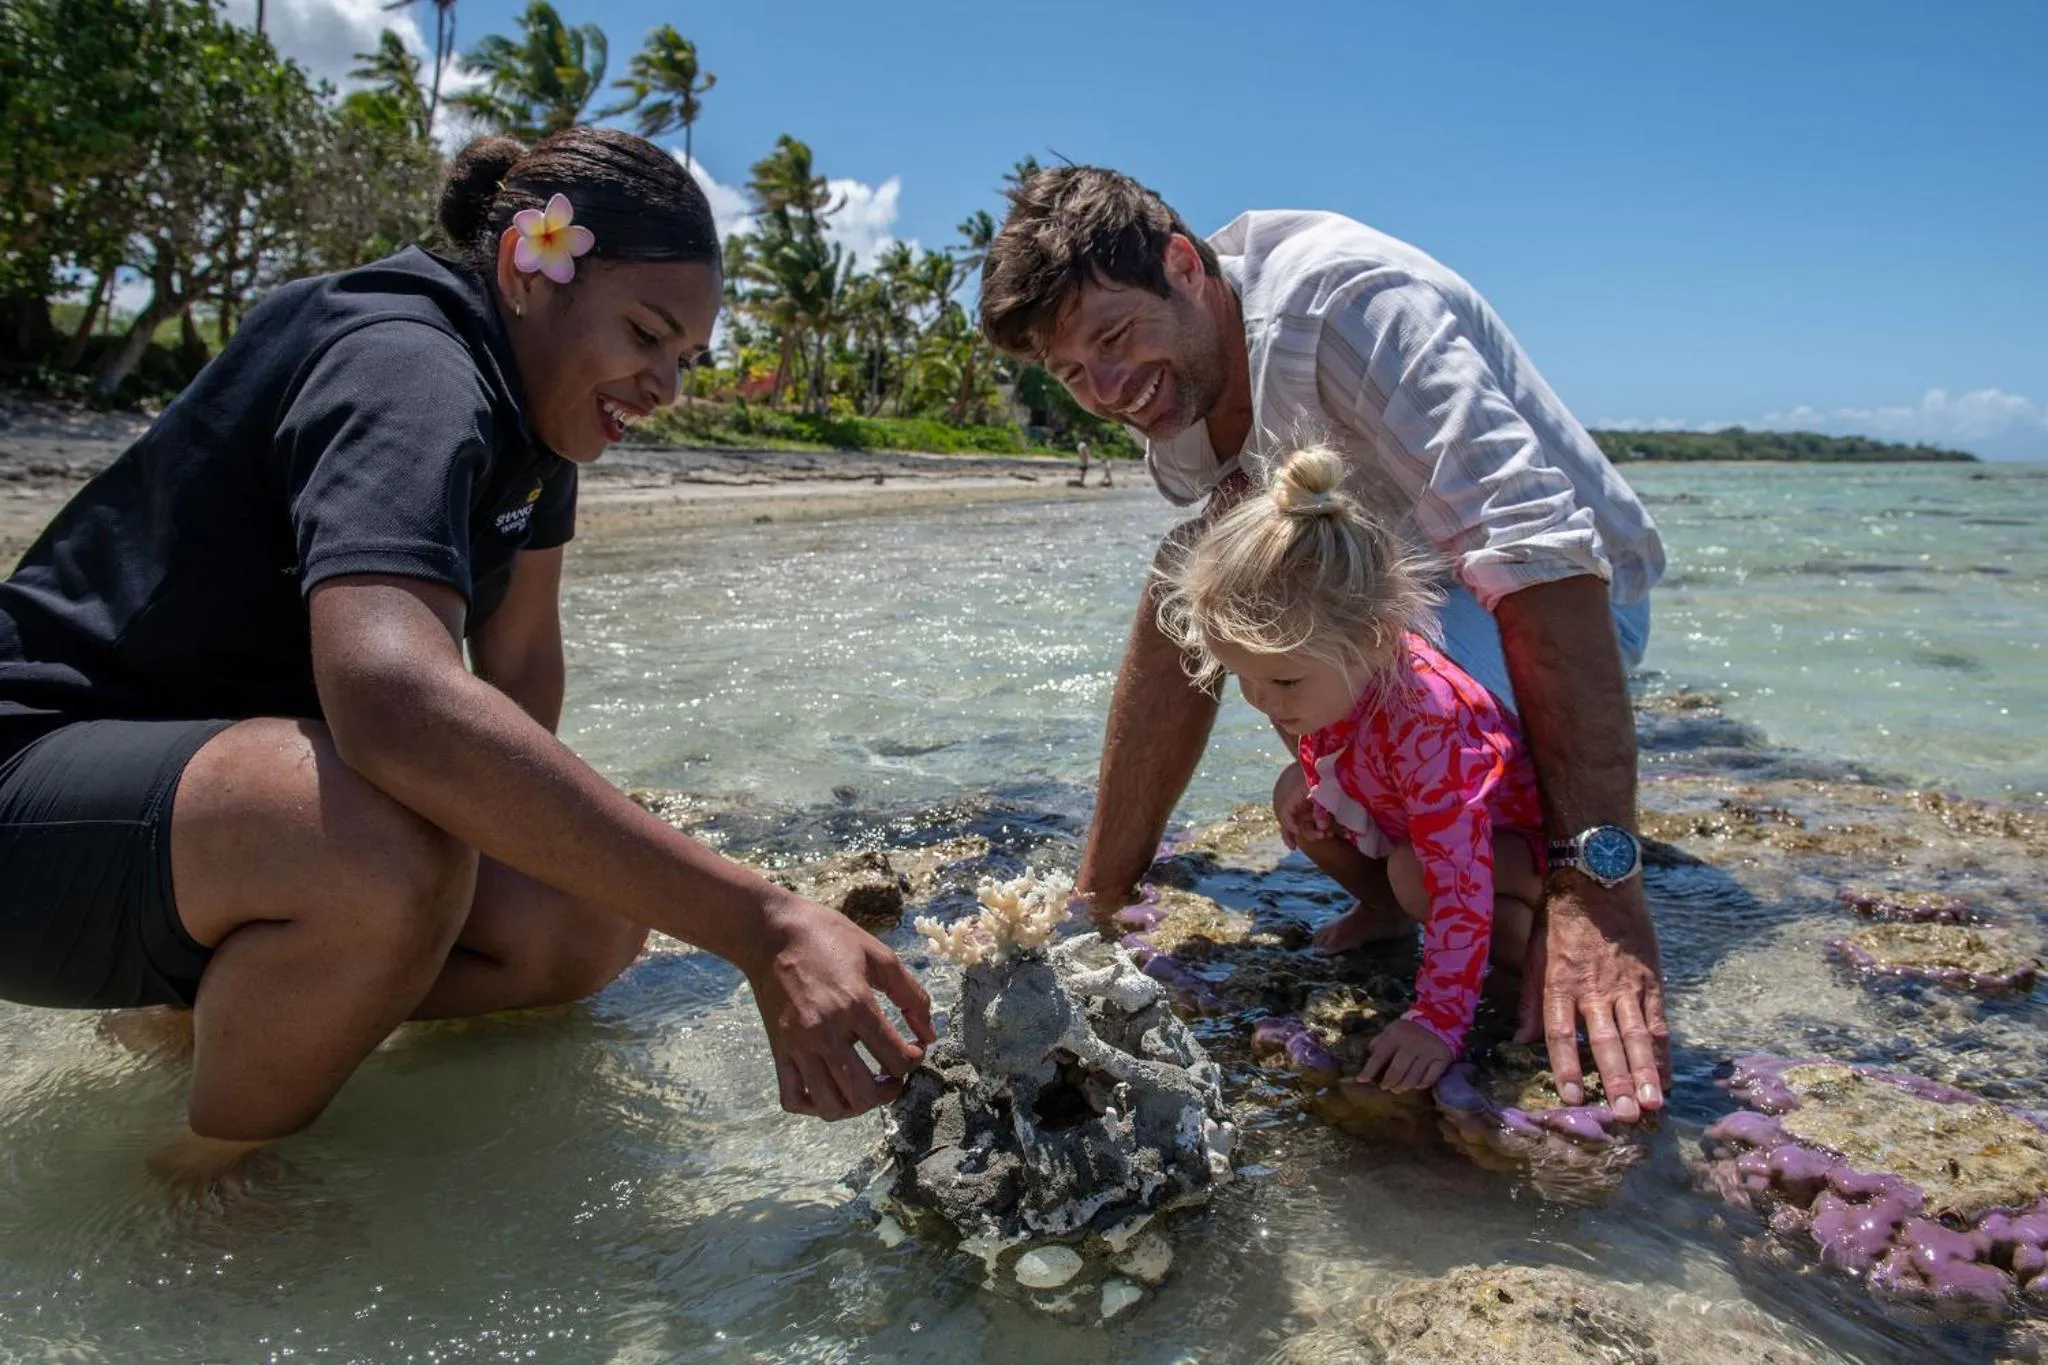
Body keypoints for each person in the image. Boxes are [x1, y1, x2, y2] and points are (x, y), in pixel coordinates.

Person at [0, 127, 932, 1187]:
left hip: (199, 829)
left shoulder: (543, 424)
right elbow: (392, 699)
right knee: (375, 842)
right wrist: (761, 924)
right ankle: (203, 1176)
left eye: (685, 357)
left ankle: (189, 1022)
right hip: (34, 803)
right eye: (646, 332)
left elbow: (522, 663)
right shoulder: (407, 362)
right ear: (525, 272)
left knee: (585, 915)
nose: (666, 383)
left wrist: (525, 855)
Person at [979, 167, 1669, 1121]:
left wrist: (1600, 882)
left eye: (1114, 336)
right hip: (1386, 591)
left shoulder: (1350, 305)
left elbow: (1538, 554)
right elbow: (1227, 583)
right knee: (1199, 576)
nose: (1108, 389)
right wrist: (1097, 911)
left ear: (1185, 265)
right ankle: (1107, 886)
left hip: (1570, 596)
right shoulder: (1175, 386)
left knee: (1438, 867)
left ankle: (1507, 900)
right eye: (1070, 373)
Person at [1156, 445, 1545, 1093]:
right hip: (1422, 828)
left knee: (1417, 872)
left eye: (1281, 680)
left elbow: (1459, 877)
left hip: (1511, 854)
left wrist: (1438, 1019)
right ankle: (1388, 912)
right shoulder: (1332, 670)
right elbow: (1337, 748)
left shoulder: (1433, 717)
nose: (1264, 703)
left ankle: (1524, 960)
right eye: (1244, 680)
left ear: (1371, 638)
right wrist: (1313, 789)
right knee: (1300, 803)